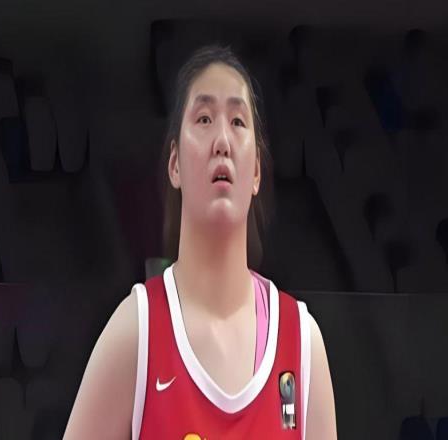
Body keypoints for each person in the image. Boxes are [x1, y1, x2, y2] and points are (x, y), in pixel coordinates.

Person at [63, 44, 337, 440]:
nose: (222, 140)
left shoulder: (303, 344)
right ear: (174, 164)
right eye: (204, 118)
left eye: (238, 121)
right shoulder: (136, 332)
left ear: (257, 172)